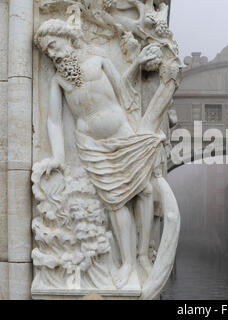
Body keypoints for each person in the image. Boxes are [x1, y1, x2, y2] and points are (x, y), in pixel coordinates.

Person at [34, 18, 179, 289]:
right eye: (46, 51)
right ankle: (126, 264)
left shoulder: (98, 61)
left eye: (52, 45)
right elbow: (53, 120)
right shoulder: (58, 80)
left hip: (122, 134)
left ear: (66, 37)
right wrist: (57, 156)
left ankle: (142, 257)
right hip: (91, 144)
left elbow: (124, 90)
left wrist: (137, 63)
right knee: (116, 201)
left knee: (145, 190)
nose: (51, 53)